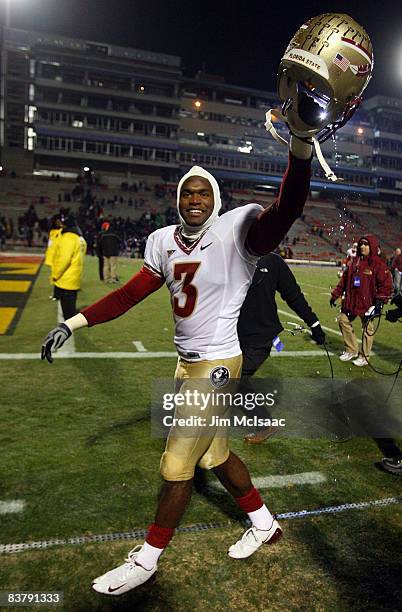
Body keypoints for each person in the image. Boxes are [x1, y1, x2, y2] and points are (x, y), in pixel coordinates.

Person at [41, 131, 312, 594]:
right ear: (177, 198)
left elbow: (287, 208)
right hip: (187, 363)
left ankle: (147, 559)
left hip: (218, 364)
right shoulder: (163, 241)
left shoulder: (238, 233)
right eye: (187, 191)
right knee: (214, 454)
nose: (194, 198)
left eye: (203, 191)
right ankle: (264, 524)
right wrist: (76, 322)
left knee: (175, 464)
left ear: (216, 199)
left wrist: (301, 145)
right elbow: (129, 295)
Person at [237, 253, 325, 443]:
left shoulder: (272, 261)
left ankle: (265, 424)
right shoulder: (231, 255)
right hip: (231, 335)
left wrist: (314, 324)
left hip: (260, 337)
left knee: (235, 379)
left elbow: (293, 295)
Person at [330, 235, 393, 367]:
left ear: (372, 246)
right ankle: (352, 350)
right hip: (352, 301)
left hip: (368, 304)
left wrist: (380, 302)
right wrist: (335, 295)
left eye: (366, 244)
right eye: (361, 244)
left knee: (367, 329)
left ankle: (364, 356)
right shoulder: (354, 261)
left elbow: (386, 285)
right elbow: (344, 280)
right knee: (343, 320)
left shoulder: (378, 264)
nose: (362, 246)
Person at [51, 214, 87, 320]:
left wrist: (55, 274)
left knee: (67, 313)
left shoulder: (68, 238)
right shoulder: (79, 238)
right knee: (71, 304)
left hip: (66, 277)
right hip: (74, 276)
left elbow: (64, 260)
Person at [44, 215, 63, 299]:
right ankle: (56, 293)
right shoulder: (52, 232)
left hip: (58, 257)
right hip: (53, 257)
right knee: (54, 276)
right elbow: (50, 245)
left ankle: (58, 294)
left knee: (58, 276)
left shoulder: (62, 232)